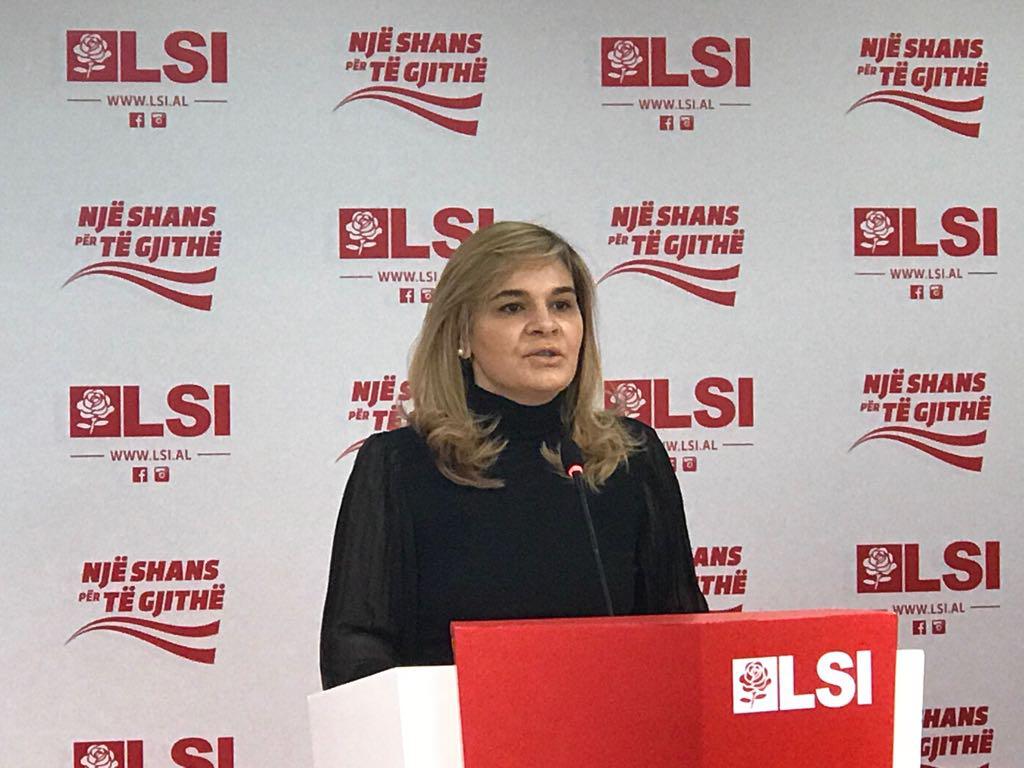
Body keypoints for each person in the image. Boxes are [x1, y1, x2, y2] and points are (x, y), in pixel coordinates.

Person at [320, 221, 707, 689]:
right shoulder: (402, 465)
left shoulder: (632, 458)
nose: (545, 324)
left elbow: (682, 636)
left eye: (561, 304)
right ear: (462, 335)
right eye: (512, 306)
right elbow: (356, 656)